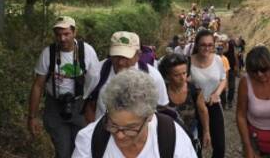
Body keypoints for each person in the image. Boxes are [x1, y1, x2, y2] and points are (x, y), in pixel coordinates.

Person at [72, 69, 197, 157]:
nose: (120, 136)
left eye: (130, 128)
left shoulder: (172, 138)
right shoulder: (89, 139)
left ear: (149, 117)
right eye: (113, 125)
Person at [28, 16, 100, 158]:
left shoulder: (87, 52)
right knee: (63, 151)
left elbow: (96, 80)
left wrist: (91, 107)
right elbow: (38, 86)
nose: (62, 39)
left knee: (81, 149)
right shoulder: (48, 53)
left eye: (66, 34)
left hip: (80, 105)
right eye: (58, 35)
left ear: (74, 32)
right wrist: (32, 116)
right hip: (55, 105)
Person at [84, 31, 169, 123]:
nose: (120, 62)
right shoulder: (96, 72)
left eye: (126, 57)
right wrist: (94, 131)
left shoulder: (153, 76)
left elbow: (161, 108)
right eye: (116, 56)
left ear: (138, 55)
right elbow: (90, 105)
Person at [158, 53, 212, 157]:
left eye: (184, 73)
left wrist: (206, 132)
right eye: (176, 75)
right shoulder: (162, 91)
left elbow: (202, 110)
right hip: (169, 137)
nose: (182, 78)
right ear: (167, 75)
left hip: (191, 134)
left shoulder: (194, 90)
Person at [190, 29, 227, 158]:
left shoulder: (217, 59)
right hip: (194, 109)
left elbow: (223, 78)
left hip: (213, 105)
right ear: (197, 45)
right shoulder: (189, 62)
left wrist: (217, 93)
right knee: (196, 144)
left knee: (220, 145)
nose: (207, 48)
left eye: (210, 45)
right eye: (203, 45)